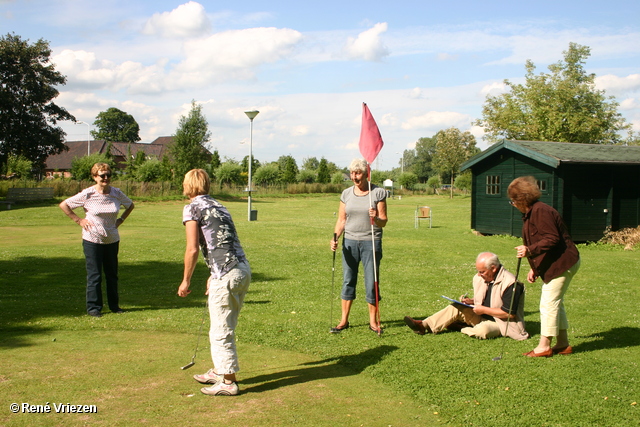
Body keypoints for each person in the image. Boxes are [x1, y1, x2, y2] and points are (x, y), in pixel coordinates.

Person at [177, 169, 251, 396]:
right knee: (223, 326)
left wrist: (185, 281)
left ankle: (228, 382)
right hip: (241, 269)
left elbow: (192, 249)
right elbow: (223, 241)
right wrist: (213, 273)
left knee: (221, 330)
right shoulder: (220, 206)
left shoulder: (192, 207)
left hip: (227, 274)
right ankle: (220, 370)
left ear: (187, 185)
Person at [508, 176, 580, 357]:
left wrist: (528, 250)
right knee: (556, 303)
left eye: (513, 200)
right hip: (556, 262)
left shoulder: (541, 212)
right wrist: (536, 268)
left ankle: (544, 346)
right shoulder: (532, 213)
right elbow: (545, 241)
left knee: (548, 304)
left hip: (564, 262)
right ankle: (563, 344)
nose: (513, 204)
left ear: (521, 200)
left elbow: (551, 239)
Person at [60, 162, 134, 317]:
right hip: (92, 239)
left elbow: (130, 205)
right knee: (95, 275)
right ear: (95, 177)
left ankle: (115, 306)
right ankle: (94, 308)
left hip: (112, 239)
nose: (106, 178)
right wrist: (79, 220)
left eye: (108, 175)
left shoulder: (116, 193)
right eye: (102, 175)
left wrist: (120, 220)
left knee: (112, 274)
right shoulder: (88, 194)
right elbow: (64, 205)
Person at [404, 252, 529, 341]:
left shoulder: (511, 284)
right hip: (481, 315)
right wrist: (472, 301)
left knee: (482, 331)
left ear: (493, 268)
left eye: (482, 272)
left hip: (502, 323)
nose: (479, 275)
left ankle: (460, 327)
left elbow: (509, 313)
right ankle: (423, 325)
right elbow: (492, 298)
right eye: (478, 271)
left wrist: (482, 310)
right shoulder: (483, 277)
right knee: (455, 307)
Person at [330, 158, 388, 334]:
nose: (354, 177)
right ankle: (343, 321)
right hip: (350, 242)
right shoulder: (346, 194)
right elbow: (342, 219)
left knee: (371, 282)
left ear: (366, 173)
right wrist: (335, 237)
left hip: (371, 242)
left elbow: (384, 221)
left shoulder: (377, 193)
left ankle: (373, 322)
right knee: (348, 280)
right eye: (352, 173)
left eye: (358, 173)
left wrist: (375, 217)